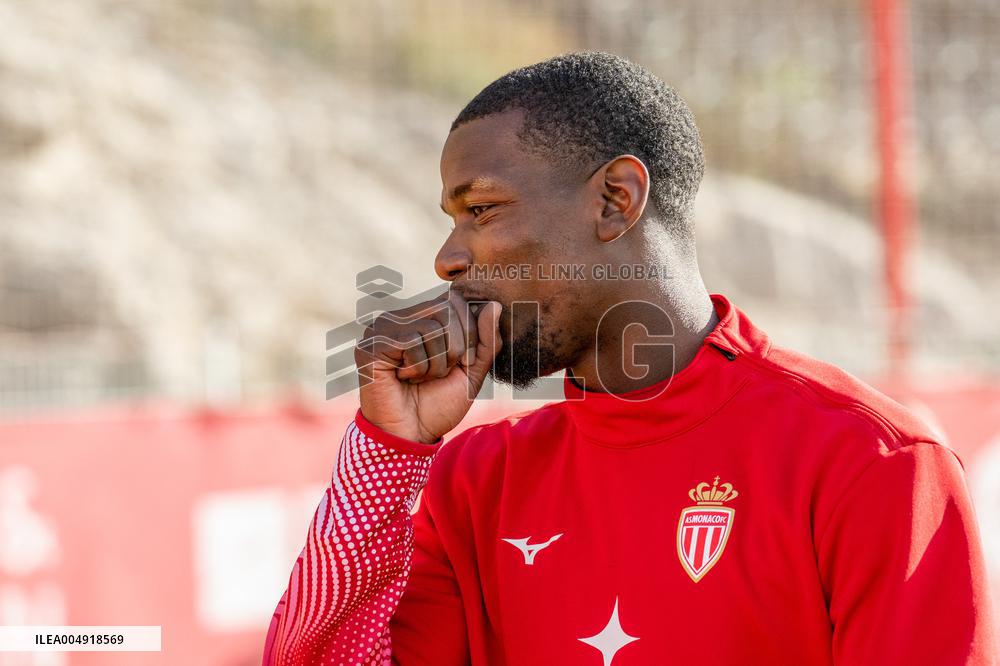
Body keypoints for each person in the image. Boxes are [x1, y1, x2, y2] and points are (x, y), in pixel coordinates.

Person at [263, 52, 997, 665]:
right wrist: (387, 453)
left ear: (616, 199)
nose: (448, 258)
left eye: (480, 209)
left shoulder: (871, 459)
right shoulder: (475, 481)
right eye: (451, 220)